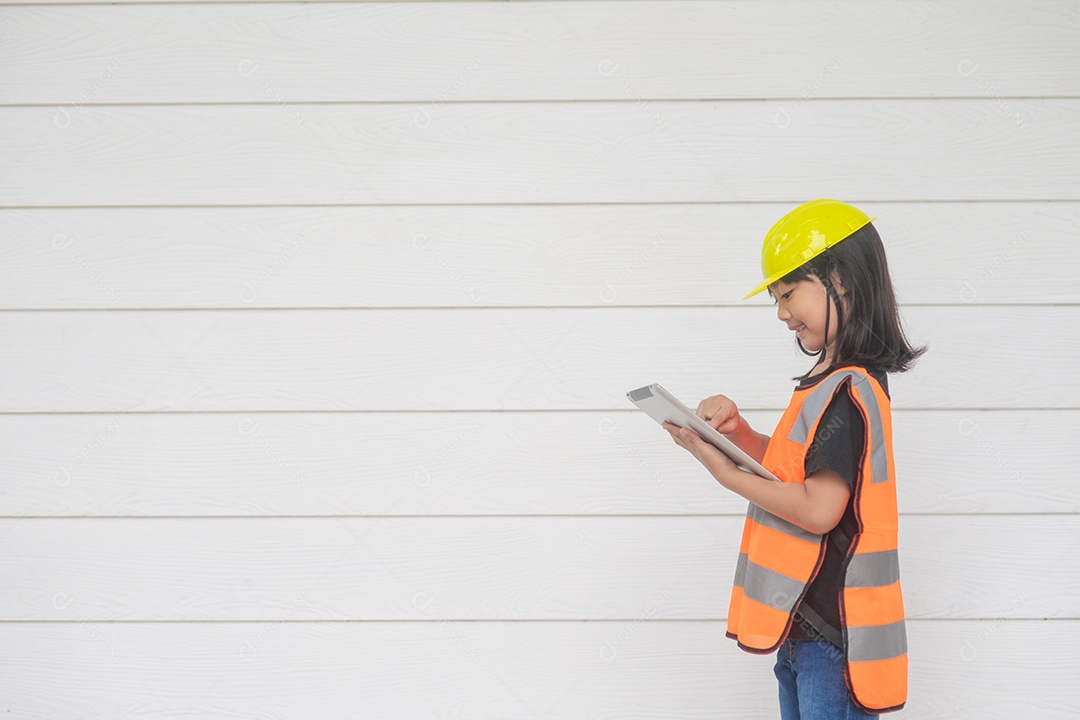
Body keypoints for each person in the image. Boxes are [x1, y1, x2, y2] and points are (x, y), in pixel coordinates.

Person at [661, 199, 925, 718]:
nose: (782, 313)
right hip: (805, 632)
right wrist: (739, 437)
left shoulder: (849, 389)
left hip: (834, 638)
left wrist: (727, 475)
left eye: (788, 293)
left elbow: (818, 509)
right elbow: (795, 472)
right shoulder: (828, 384)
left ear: (839, 280)